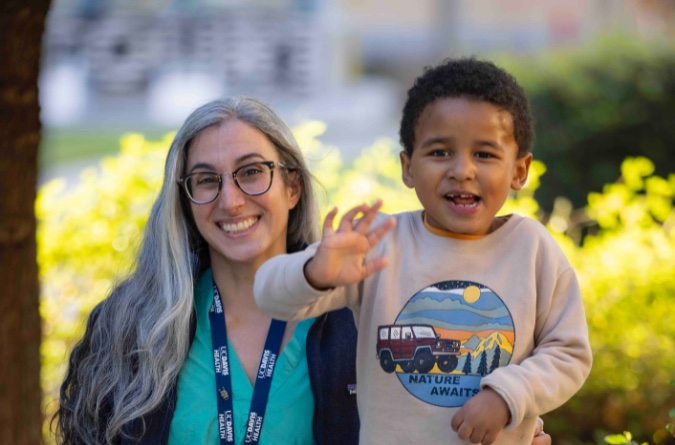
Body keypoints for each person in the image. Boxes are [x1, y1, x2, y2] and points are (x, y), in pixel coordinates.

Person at [254, 58, 591, 444]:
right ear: (408, 167)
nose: (462, 170)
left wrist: (509, 394)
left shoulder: (533, 250)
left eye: (484, 154)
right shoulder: (380, 245)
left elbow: (569, 354)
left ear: (519, 170)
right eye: (440, 152)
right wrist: (316, 272)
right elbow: (269, 295)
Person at [54, 97, 359, 445]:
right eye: (207, 180)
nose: (230, 201)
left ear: (293, 187)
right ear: (185, 200)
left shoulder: (352, 318)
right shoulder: (132, 324)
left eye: (252, 172)